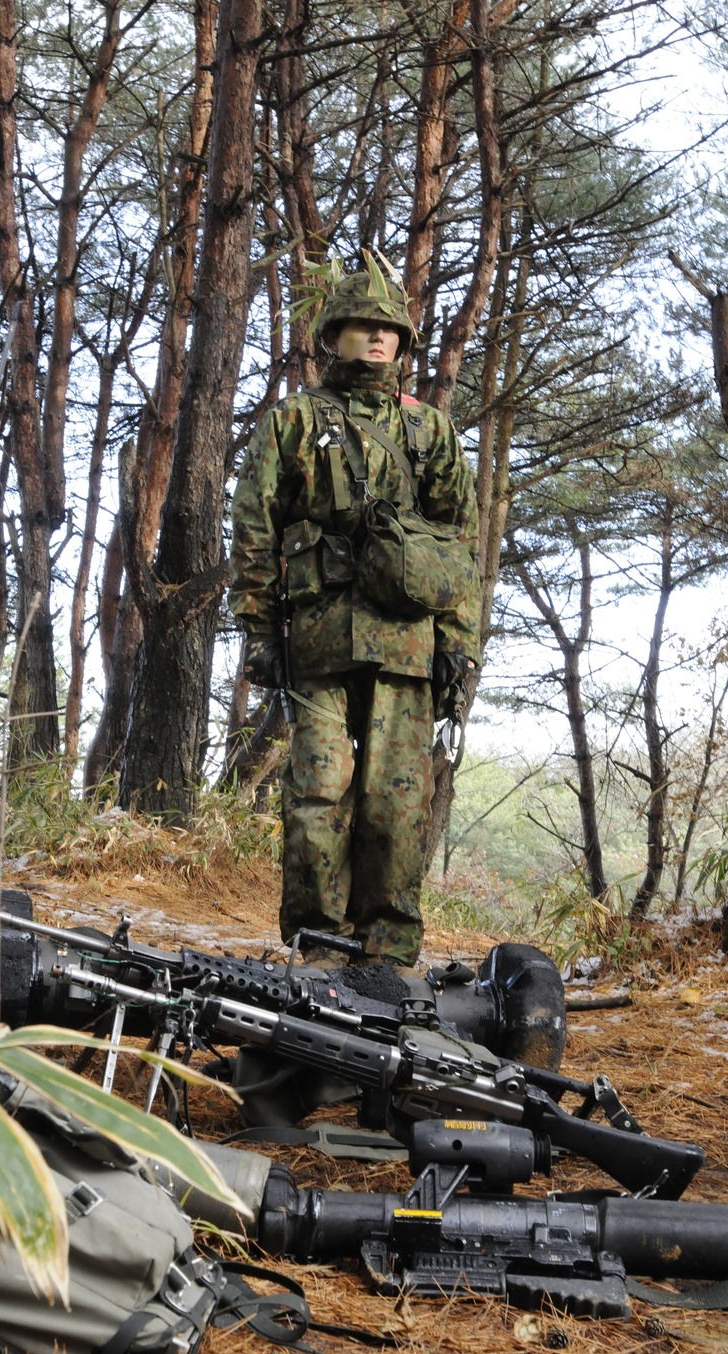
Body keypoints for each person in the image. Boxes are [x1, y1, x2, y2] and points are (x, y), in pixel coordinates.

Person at [228, 258, 480, 971]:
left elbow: (460, 550)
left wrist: (459, 649)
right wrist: (257, 631)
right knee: (317, 794)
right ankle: (319, 944)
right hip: (317, 642)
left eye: (389, 329)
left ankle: (390, 952)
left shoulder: (429, 432)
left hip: (407, 646)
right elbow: (253, 528)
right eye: (362, 326)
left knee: (397, 806)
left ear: (403, 343)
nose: (376, 339)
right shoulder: (294, 422)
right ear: (332, 334)